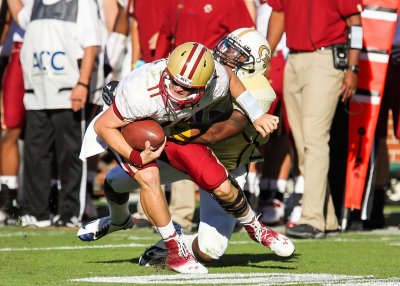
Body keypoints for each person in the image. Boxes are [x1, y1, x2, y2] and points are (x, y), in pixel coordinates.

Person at [77, 41, 293, 274]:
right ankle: (171, 249)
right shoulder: (140, 91)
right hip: (139, 129)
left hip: (179, 134)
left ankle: (256, 227)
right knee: (143, 176)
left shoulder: (222, 80)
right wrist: (135, 156)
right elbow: (103, 126)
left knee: (220, 186)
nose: (177, 91)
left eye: (187, 89)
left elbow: (228, 79)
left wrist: (257, 114)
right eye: (174, 82)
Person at [137, 28, 295, 266]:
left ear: (255, 64)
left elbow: (218, 133)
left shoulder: (259, 90)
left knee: (211, 250)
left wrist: (171, 133)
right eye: (228, 45)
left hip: (225, 164)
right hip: (181, 150)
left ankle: (177, 243)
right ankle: (115, 218)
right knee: (117, 180)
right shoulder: (209, 68)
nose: (225, 53)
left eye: (237, 53)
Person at [134, 0, 256, 230]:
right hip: (177, 82)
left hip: (212, 86)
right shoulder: (176, 2)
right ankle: (155, 210)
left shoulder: (229, 3)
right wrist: (150, 68)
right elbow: (166, 35)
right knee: (162, 136)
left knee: (202, 142)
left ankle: (191, 212)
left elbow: (246, 37)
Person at [267, 0, 363, 238]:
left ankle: (312, 219)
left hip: (326, 59)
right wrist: (266, 55)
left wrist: (353, 67)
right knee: (300, 143)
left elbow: (355, 23)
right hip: (294, 59)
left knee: (314, 138)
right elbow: (278, 13)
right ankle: (327, 218)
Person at [8, 0, 102, 227]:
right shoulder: (36, 3)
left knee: (70, 154)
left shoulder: (82, 2)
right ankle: (37, 212)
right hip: (36, 91)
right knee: (36, 155)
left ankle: (70, 213)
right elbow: (22, 19)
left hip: (67, 89)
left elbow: (92, 44)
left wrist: (82, 83)